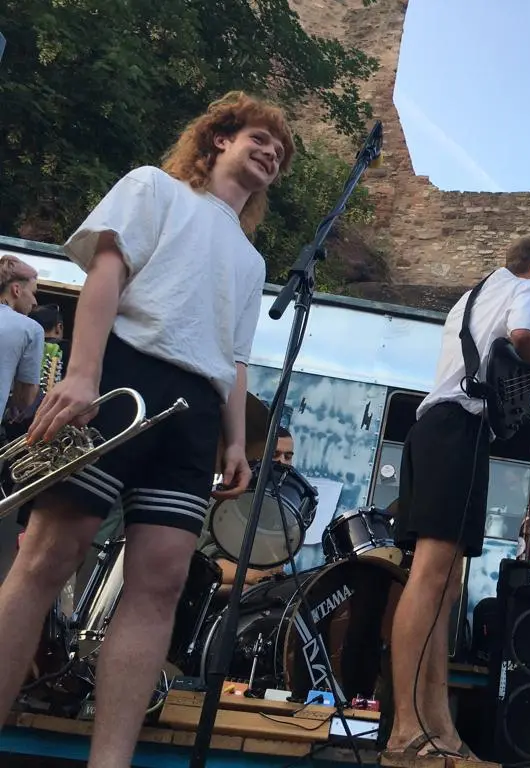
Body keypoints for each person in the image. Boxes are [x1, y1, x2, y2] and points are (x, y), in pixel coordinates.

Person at [0, 91, 294, 767]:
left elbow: (235, 358)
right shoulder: (155, 188)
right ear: (219, 138)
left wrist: (234, 441)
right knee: (48, 556)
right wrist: (82, 374)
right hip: (124, 374)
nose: (270, 153)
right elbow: (107, 274)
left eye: (279, 151)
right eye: (259, 138)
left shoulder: (251, 261)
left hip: (195, 411)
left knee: (160, 584)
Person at [383, 235, 530, 762]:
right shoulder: (529, 289)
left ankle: (441, 730)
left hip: (436, 429)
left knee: (447, 585)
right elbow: (525, 336)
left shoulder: (474, 297)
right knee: (431, 577)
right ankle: (405, 730)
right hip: (458, 429)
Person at [198, 425, 295, 605]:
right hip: (215, 595)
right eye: (275, 454)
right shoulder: (221, 502)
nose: (282, 462)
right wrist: (254, 577)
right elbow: (207, 565)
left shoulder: (280, 514)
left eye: (288, 456)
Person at [0, 256, 44, 427]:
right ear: (16, 290)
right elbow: (26, 399)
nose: (35, 302)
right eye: (33, 293)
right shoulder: (30, 329)